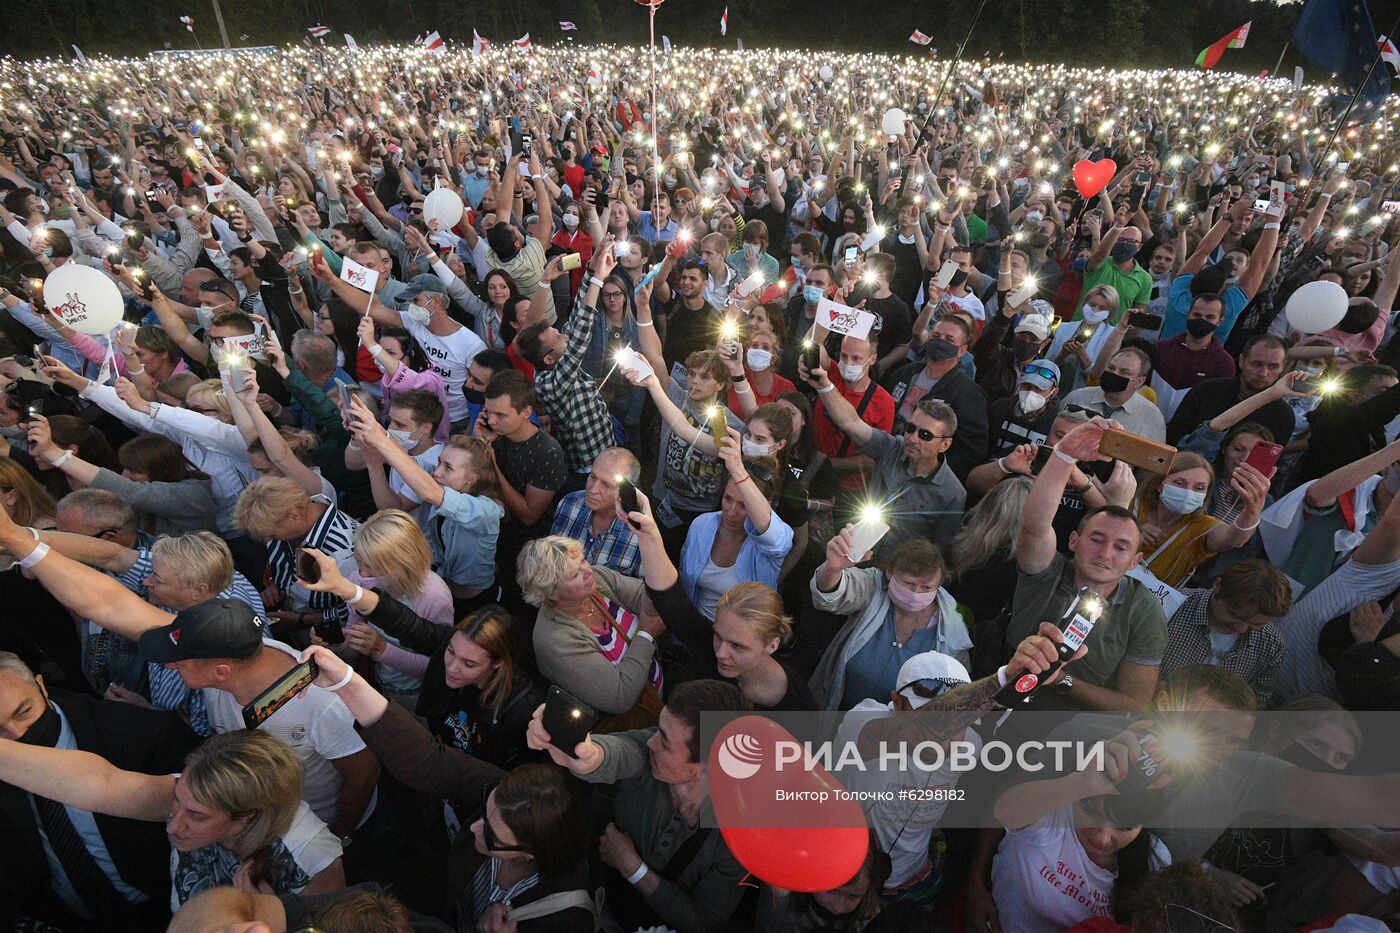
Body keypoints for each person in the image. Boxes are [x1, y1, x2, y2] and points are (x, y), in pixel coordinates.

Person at [295, 642, 594, 932]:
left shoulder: (567, 918)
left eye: (491, 835)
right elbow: (429, 760)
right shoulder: (506, 797)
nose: (474, 826)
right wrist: (346, 682)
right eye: (486, 807)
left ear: (531, 853)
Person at [0, 728, 346, 910]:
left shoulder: (310, 858)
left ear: (246, 818)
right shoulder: (199, 792)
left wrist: (259, 915)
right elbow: (100, 784)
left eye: (195, 817)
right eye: (176, 802)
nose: (172, 825)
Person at [525, 679, 751, 933]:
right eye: (658, 728)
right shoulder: (649, 755)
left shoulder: (738, 837)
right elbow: (623, 751)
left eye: (665, 742)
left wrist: (632, 867)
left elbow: (703, 922)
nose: (651, 743)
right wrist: (589, 756)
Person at [0, 650, 200, 932]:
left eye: (24, 712)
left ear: (42, 686)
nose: (18, 734)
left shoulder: (140, 734)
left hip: (167, 912)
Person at [296, 549, 542, 770]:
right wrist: (342, 587)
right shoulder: (446, 643)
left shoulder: (520, 709)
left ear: (499, 663)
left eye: (469, 664)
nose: (452, 669)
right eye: (451, 652)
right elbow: (403, 621)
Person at [1006, 416, 1168, 710]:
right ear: (1073, 541)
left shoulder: (1142, 608)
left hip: (1076, 726)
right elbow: (1035, 527)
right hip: (1003, 692)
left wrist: (1058, 679)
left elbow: (1133, 705)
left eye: (1121, 547)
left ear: (1135, 562)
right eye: (1096, 539)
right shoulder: (1049, 571)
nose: (1105, 554)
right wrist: (1065, 454)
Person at [990, 728, 1169, 933]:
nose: (1102, 837)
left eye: (1124, 827)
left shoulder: (1155, 860)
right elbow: (1005, 811)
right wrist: (1081, 782)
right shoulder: (1051, 811)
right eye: (1089, 811)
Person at [345, 398, 504, 617]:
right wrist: (367, 432)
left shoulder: (486, 511)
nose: (437, 472)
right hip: (444, 586)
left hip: (477, 602)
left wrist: (378, 436)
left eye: (447, 467)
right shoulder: (442, 479)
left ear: (473, 479)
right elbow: (403, 460)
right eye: (439, 462)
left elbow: (429, 491)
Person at [805, 359, 967, 555]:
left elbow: (941, 553)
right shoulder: (891, 447)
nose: (913, 438)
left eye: (925, 435)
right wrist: (824, 386)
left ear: (945, 444)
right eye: (910, 428)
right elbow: (851, 423)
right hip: (855, 554)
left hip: (898, 575)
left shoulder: (952, 493)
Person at [810, 526, 972, 709]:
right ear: (890, 572)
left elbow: (956, 692)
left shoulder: (952, 633)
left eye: (926, 588)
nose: (915, 593)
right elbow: (834, 593)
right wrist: (833, 569)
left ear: (940, 583)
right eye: (909, 583)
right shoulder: (873, 586)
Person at [518, 535, 665, 720]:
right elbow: (620, 697)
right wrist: (646, 633)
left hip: (655, 698)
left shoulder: (597, 580)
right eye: (573, 574)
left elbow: (651, 599)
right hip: (630, 727)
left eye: (583, 560)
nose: (587, 571)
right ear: (551, 592)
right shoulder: (556, 640)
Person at [517, 243, 621, 488]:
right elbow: (582, 332)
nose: (565, 336)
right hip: (588, 469)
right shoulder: (550, 383)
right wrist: (598, 279)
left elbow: (575, 319)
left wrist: (590, 270)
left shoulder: (554, 360)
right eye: (559, 337)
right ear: (549, 358)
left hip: (605, 447)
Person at [337, 509, 453, 712]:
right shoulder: (360, 580)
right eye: (358, 562)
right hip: (379, 685)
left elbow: (440, 666)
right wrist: (337, 644)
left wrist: (381, 651)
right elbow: (352, 646)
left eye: (371, 567)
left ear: (400, 565)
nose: (361, 573)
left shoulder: (434, 596)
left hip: (416, 696)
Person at [27, 416, 218, 536]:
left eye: (134, 471)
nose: (125, 475)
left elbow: (135, 493)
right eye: (125, 468)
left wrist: (54, 453)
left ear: (162, 470)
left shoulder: (193, 494)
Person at [677, 429, 793, 618]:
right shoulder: (701, 525)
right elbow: (685, 580)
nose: (731, 512)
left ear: (766, 505)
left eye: (743, 505)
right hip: (695, 628)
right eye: (728, 499)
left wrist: (738, 470)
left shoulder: (771, 545)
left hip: (740, 639)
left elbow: (775, 540)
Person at [1128, 451, 1270, 588]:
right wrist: (1130, 531)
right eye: (1179, 483)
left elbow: (1233, 539)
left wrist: (1253, 509)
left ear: (1206, 494)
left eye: (1199, 488)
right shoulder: (1130, 501)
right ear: (1160, 484)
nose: (1189, 491)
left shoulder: (1202, 526)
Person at [1159, 559, 1292, 707]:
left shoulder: (1271, 644)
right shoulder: (1171, 607)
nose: (1241, 628)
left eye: (1256, 624)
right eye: (1234, 616)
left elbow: (1256, 702)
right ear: (1217, 587)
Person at [881, 314, 989, 478]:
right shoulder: (906, 372)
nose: (941, 342)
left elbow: (972, 450)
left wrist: (930, 471)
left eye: (949, 339)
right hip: (885, 460)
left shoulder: (968, 393)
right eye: (936, 336)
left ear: (962, 350)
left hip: (920, 477)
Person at [1166, 335, 1295, 447]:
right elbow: (1173, 438)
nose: (1263, 373)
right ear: (1242, 361)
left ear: (1282, 368)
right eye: (1257, 364)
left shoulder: (1282, 415)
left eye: (1273, 366)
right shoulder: (1206, 391)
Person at [756, 831, 891, 933]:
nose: (838, 907)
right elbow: (765, 929)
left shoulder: (868, 912)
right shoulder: (786, 896)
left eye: (853, 896)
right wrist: (777, 897)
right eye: (831, 890)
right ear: (812, 873)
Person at [549, 446, 644, 578]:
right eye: (592, 477)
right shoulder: (569, 504)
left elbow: (641, 593)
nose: (592, 489)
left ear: (625, 491)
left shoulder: (640, 535)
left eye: (606, 485)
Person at [1059, 347, 1166, 442]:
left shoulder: (1152, 418)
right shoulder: (1077, 398)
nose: (1114, 374)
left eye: (1124, 372)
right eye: (1111, 368)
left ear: (1139, 382)